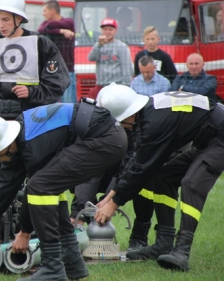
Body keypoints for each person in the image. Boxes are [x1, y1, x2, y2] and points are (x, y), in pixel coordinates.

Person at [0, 102, 127, 280]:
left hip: (104, 139)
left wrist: (24, 232)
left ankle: (52, 268)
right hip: (105, 135)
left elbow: (33, 189)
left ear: (5, 144)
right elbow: (7, 182)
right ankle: (72, 262)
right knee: (47, 185)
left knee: (40, 186)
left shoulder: (34, 146)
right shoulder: (23, 133)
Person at [95, 84, 224, 272]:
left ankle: (182, 250)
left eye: (121, 121)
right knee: (162, 177)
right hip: (209, 138)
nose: (122, 126)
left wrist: (114, 204)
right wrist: (110, 196)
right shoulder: (149, 111)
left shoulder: (155, 124)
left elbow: (142, 169)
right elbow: (136, 161)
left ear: (129, 114)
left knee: (191, 183)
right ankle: (164, 242)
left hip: (220, 138)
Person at [0, 0, 70, 122]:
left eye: (5, 19)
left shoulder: (40, 43)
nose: (1, 25)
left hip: (33, 118)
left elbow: (58, 82)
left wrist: (32, 92)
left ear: (19, 18)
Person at [37, 0, 76, 103]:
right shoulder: (47, 24)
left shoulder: (69, 22)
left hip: (67, 67)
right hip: (52, 68)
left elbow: (48, 26)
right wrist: (61, 31)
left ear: (53, 11)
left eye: (45, 11)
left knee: (68, 99)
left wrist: (51, 27)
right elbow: (41, 29)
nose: (43, 14)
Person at [87, 17, 133, 98]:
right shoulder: (98, 45)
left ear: (115, 31)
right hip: (101, 85)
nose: (107, 32)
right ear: (101, 30)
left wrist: (124, 87)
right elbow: (91, 58)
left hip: (116, 86)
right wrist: (99, 45)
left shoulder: (121, 46)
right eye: (105, 29)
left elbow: (126, 69)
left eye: (110, 29)